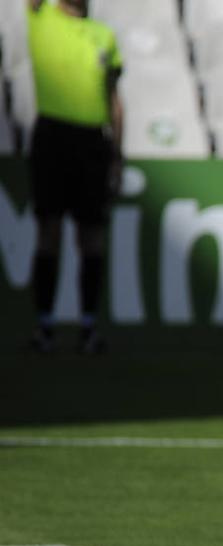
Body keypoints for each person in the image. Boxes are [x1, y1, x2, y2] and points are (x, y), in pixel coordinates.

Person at [26, 0, 123, 355]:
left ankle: (88, 326)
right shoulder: (41, 15)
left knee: (92, 237)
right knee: (48, 231)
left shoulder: (104, 35)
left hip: (93, 141)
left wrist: (117, 152)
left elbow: (113, 98)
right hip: (53, 135)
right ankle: (45, 326)